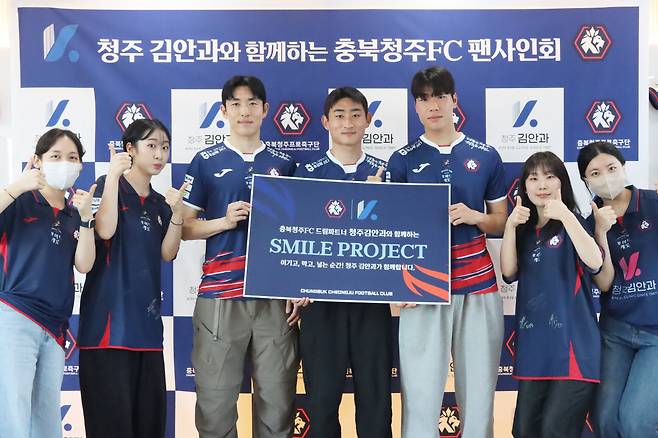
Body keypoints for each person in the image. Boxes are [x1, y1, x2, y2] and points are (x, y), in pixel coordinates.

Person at [181, 75, 305, 438]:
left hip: (274, 297)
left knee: (278, 405)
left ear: (265, 110)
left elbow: (302, 234)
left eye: (252, 103)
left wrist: (297, 286)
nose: (244, 111)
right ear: (223, 111)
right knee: (215, 406)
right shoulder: (205, 161)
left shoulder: (285, 163)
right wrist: (223, 221)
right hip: (220, 296)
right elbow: (184, 228)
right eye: (235, 104)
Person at [386, 66, 507, 438]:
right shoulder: (402, 159)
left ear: (454, 100)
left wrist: (475, 217)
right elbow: (391, 231)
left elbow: (501, 222)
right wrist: (397, 286)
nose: (432, 105)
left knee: (479, 394)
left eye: (439, 96)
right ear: (415, 106)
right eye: (423, 99)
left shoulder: (485, 156)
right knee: (420, 396)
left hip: (478, 286)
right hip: (422, 287)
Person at [77, 119, 186, 438]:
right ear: (130, 149)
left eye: (165, 147)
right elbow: (105, 230)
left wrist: (177, 214)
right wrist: (112, 176)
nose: (160, 154)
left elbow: (168, 252)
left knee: (149, 426)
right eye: (151, 146)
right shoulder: (106, 184)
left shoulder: (158, 203)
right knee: (112, 428)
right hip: (107, 332)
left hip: (148, 334)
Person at [294, 87, 392, 438]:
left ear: (368, 120)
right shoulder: (306, 173)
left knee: (376, 401)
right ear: (325, 122)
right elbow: (292, 236)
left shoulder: (387, 173)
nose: (347, 122)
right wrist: (293, 286)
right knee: (321, 403)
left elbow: (404, 235)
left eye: (355, 114)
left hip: (373, 302)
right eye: (339, 115)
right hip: (321, 304)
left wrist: (380, 200)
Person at [0, 128, 95, 438]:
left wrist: (86, 219)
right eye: (55, 156)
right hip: (16, 316)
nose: (64, 163)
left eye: (72, 157)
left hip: (55, 326)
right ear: (37, 161)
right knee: (13, 410)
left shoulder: (74, 213)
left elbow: (84, 264)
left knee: (46, 415)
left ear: (80, 166)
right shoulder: (19, 200)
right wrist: (16, 187)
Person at [501, 151, 602, 438]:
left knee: (554, 431)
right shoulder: (524, 230)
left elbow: (595, 262)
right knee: (524, 431)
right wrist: (510, 226)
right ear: (524, 186)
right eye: (533, 178)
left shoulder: (575, 222)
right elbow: (509, 272)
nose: (542, 184)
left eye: (549, 176)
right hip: (534, 351)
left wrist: (566, 215)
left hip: (573, 351)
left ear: (562, 182)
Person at [577, 141, 658, 438]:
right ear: (586, 181)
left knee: (636, 422)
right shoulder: (588, 224)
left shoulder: (652, 203)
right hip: (615, 332)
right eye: (595, 173)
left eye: (611, 168)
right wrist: (600, 232)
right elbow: (604, 283)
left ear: (623, 167)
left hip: (655, 334)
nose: (606, 177)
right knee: (605, 420)